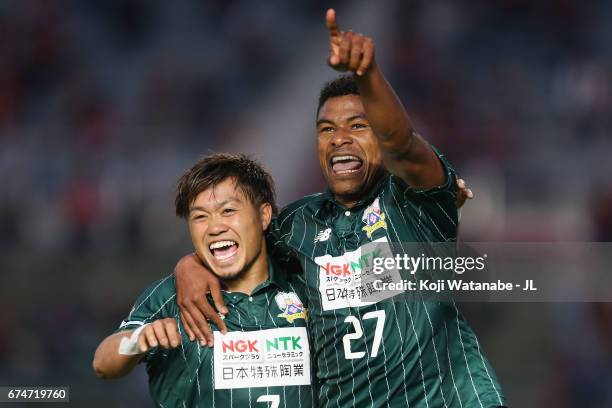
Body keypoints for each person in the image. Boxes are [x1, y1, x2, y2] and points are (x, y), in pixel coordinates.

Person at [176, 9, 506, 408]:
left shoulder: (416, 202)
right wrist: (189, 267)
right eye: (327, 129)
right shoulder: (297, 224)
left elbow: (402, 144)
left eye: (357, 125)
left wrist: (367, 74)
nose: (339, 139)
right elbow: (233, 249)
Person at [93, 154, 314, 407]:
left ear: (264, 215)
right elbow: (102, 364)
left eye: (228, 211)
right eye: (200, 217)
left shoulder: (303, 284)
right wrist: (139, 339)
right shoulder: (172, 296)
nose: (214, 227)